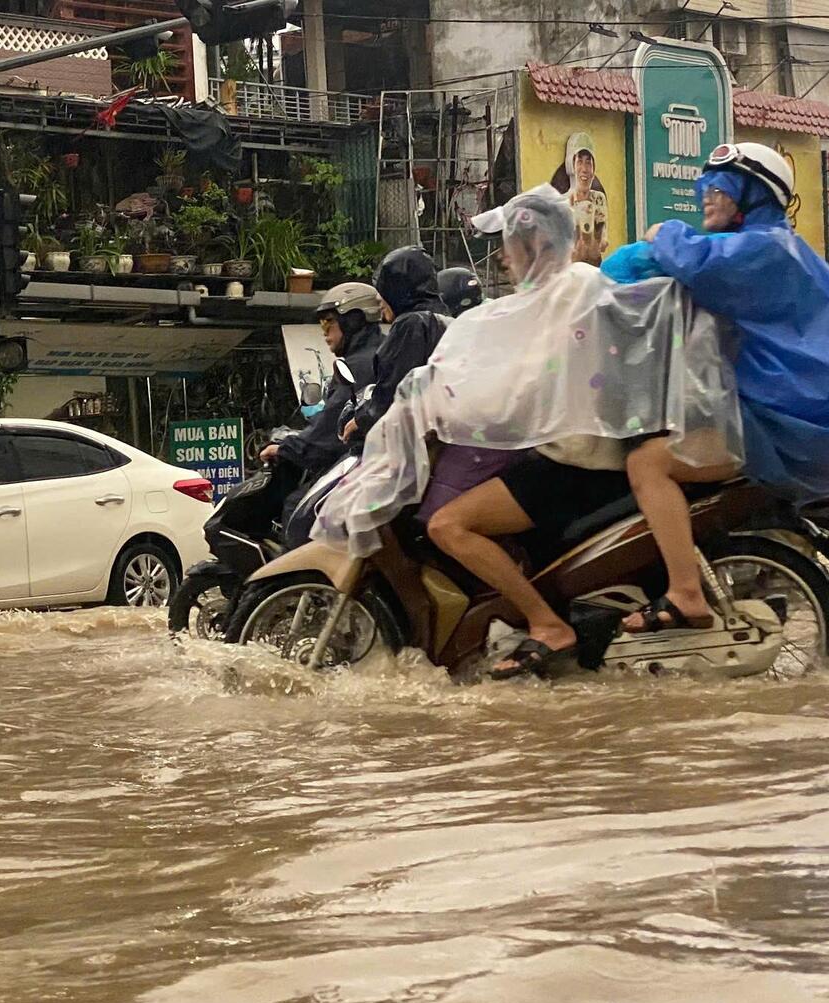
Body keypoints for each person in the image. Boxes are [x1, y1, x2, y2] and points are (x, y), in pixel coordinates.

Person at [317, 186, 745, 678]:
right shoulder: (561, 291)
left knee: (446, 526)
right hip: (576, 453)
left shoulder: (566, 293)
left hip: (581, 462)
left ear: (535, 244)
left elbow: (514, 378)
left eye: (510, 246)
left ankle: (547, 624)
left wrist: (436, 397)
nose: (503, 258)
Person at [606, 142, 829, 634]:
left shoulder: (763, 248)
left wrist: (661, 232)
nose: (704, 198)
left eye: (717, 188)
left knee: (647, 463)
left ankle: (685, 594)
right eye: (703, 187)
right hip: (801, 421)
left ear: (752, 194)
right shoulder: (774, 248)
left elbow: (686, 259)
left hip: (787, 425)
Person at [263, 282, 383, 475]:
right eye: (321, 325)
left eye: (328, 322)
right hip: (374, 462)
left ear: (352, 320)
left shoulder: (360, 365)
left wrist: (285, 449)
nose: (324, 333)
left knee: (295, 504)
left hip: (363, 466)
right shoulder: (381, 352)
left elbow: (330, 431)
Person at [342, 247, 450, 445]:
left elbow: (395, 387)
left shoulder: (411, 324)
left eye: (384, 289)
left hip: (412, 441)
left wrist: (362, 420)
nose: (378, 299)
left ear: (398, 288)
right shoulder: (445, 320)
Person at [550, 132, 609, 266]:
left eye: (589, 162)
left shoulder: (598, 199)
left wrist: (598, 241)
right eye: (580, 162)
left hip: (594, 270)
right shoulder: (562, 204)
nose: (584, 169)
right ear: (572, 165)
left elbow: (602, 241)